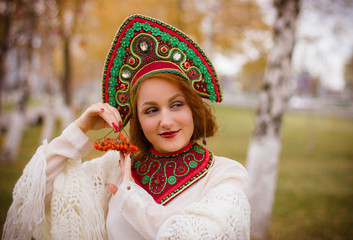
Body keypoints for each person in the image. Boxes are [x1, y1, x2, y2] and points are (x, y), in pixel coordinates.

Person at [2, 14, 250, 240]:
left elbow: (193, 235)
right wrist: (80, 128)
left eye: (176, 105)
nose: (166, 121)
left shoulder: (225, 175)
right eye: (151, 110)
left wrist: (129, 196)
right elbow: (32, 197)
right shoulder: (115, 168)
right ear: (139, 121)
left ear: (193, 110)